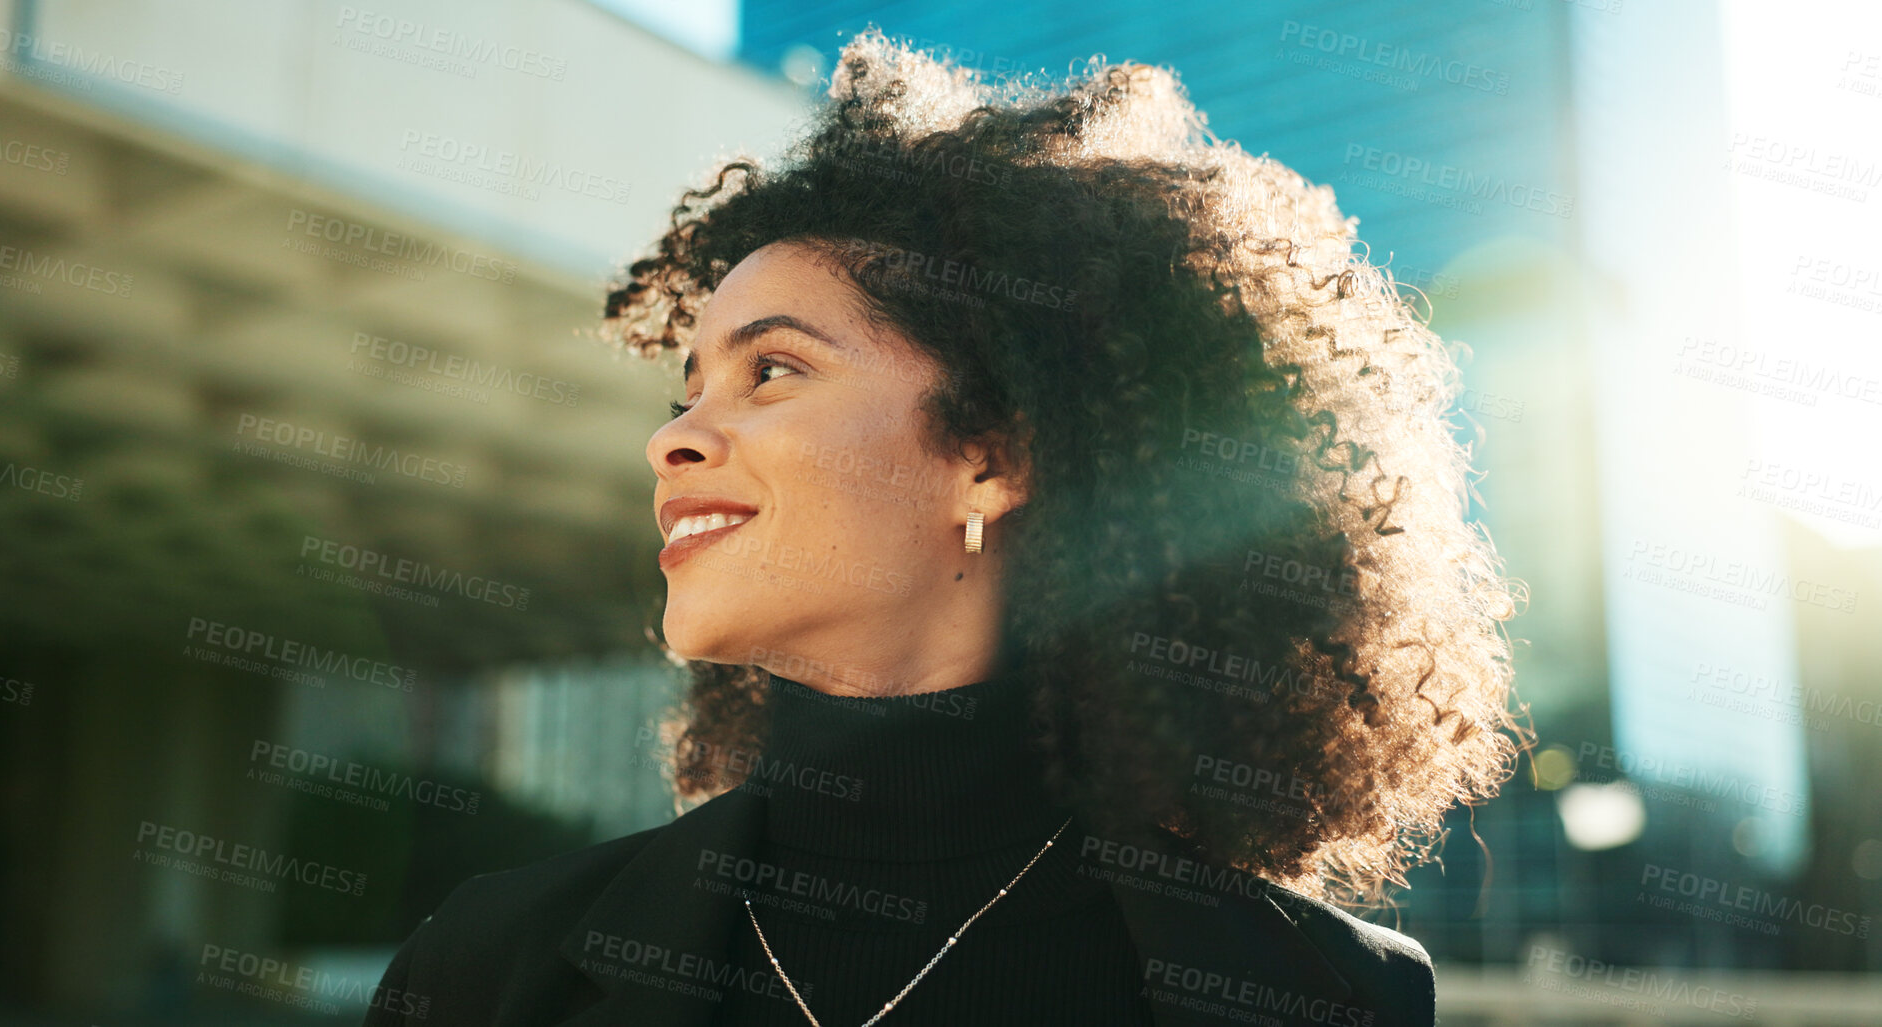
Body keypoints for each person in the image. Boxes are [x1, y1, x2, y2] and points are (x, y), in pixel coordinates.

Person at [364, 28, 1527, 1027]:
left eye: (771, 369)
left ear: (992, 455)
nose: (672, 440)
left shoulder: (1321, 990)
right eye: (688, 390)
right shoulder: (487, 966)